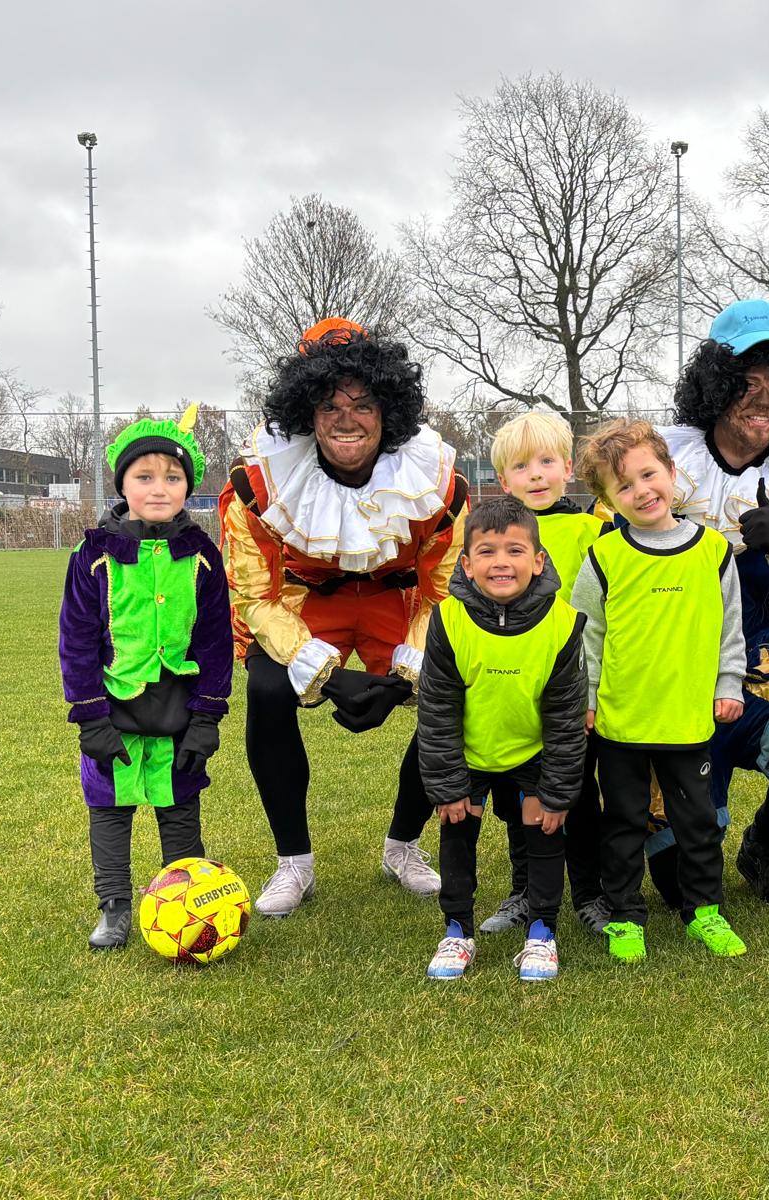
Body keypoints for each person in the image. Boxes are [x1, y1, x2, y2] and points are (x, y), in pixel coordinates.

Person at [218, 318, 466, 916]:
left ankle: (404, 846)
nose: (346, 419)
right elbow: (255, 596)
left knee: (450, 691)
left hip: (399, 601)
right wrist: (326, 673)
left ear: (389, 411)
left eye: (363, 403)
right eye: (328, 405)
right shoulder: (256, 483)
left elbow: (444, 595)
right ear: (306, 413)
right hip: (303, 604)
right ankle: (292, 862)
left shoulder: (437, 485)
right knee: (269, 689)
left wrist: (406, 675)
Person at [659, 299, 769, 906]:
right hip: (661, 667)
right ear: (715, 385)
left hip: (755, 654)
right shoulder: (657, 465)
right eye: (749, 381)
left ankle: (766, 840)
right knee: (680, 882)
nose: (766, 397)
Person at [571, 419, 748, 963]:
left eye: (649, 475)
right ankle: (625, 916)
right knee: (622, 823)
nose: (641, 491)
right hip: (622, 722)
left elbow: (730, 629)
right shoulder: (606, 557)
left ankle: (705, 913)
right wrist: (589, 697)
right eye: (623, 486)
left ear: (671, 473)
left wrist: (729, 682)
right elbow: (588, 636)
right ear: (607, 500)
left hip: (688, 718)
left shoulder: (713, 550)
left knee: (697, 824)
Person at [58, 407, 233, 949]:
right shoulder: (94, 556)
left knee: (179, 805)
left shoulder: (202, 557)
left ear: (189, 486)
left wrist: (207, 715)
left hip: (178, 706)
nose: (160, 488)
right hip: (114, 706)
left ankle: (185, 904)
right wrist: (90, 717)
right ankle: (113, 907)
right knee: (110, 808)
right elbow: (77, 641)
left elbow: (216, 642)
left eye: (173, 477)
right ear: (123, 483)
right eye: (145, 477)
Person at [417, 496, 588, 981]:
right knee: (457, 833)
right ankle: (457, 928)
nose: (501, 562)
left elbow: (564, 716)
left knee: (545, 832)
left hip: (532, 753)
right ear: (467, 565)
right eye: (487, 552)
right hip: (468, 755)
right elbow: (437, 708)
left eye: (515, 550)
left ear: (537, 562)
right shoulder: (447, 620)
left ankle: (542, 933)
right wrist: (447, 783)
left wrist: (557, 792)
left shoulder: (562, 623)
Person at [475, 410, 613, 936]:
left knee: (578, 793)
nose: (536, 474)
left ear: (568, 467)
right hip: (516, 690)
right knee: (520, 800)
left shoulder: (593, 529)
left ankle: (591, 893)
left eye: (547, 462)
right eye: (521, 466)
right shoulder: (494, 536)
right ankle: (524, 890)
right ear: (503, 480)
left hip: (577, 691)